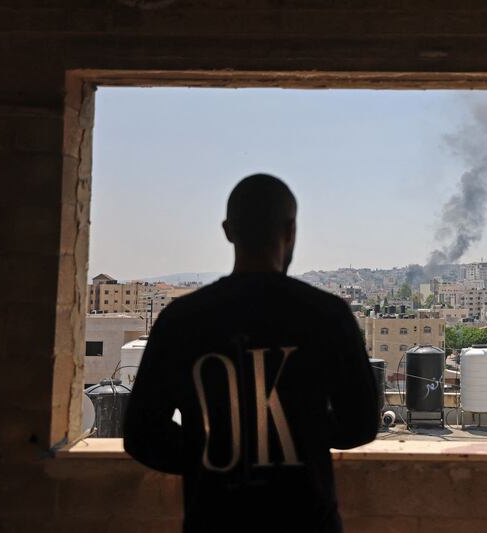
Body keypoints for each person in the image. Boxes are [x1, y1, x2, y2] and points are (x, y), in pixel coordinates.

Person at [123, 173, 380, 532]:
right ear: (290, 230)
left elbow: (141, 434)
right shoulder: (327, 315)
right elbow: (362, 424)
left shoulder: (180, 320)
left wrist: (211, 451)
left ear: (228, 231)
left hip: (214, 520)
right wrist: (303, 436)